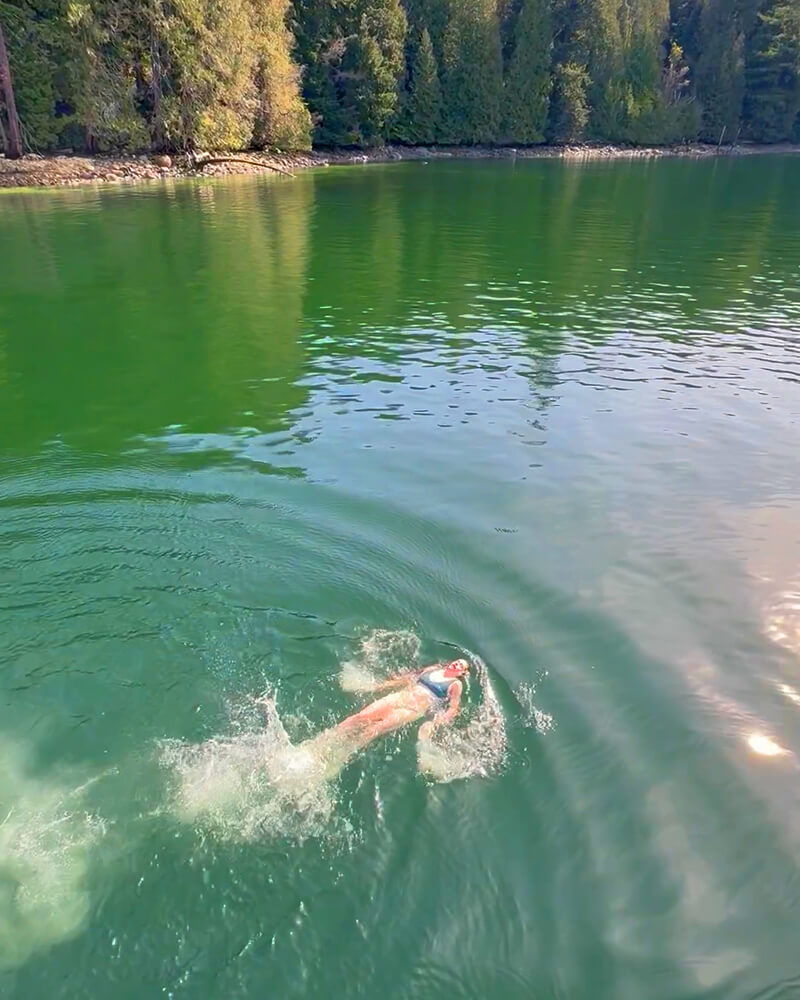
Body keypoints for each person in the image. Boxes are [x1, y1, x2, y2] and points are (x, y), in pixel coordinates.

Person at [334, 658, 469, 749]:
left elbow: (453, 708)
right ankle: (332, 736)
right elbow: (410, 677)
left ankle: (346, 750)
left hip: (412, 709)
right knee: (360, 716)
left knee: (376, 728)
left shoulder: (455, 684)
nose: (456, 664)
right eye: (457, 662)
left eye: (460, 666)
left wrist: (435, 723)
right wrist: (383, 685)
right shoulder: (433, 668)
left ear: (462, 672)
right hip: (399, 697)